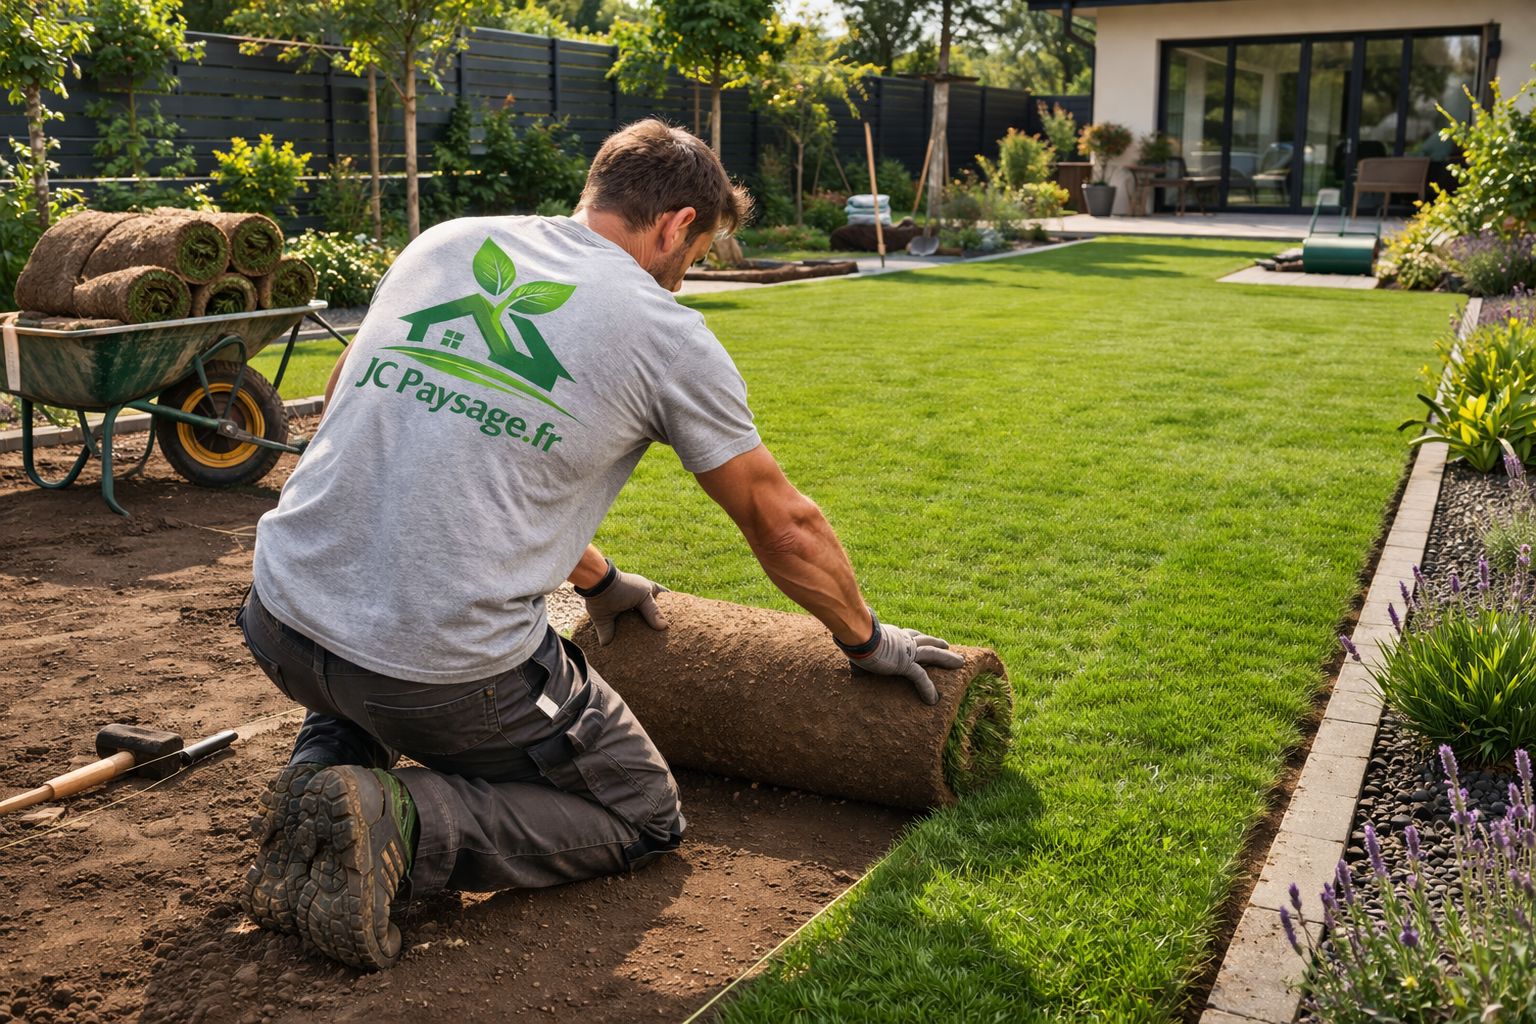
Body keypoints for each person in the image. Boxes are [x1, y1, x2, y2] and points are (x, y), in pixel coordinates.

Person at [236, 118, 963, 970]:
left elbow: (385, 434)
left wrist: (600, 577)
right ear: (677, 225)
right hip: (438, 678)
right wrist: (867, 639)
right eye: (698, 250)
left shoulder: (449, 243)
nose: (687, 272)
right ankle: (406, 819)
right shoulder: (663, 333)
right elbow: (781, 521)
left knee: (375, 628)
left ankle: (319, 784)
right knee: (642, 814)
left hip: (282, 617)